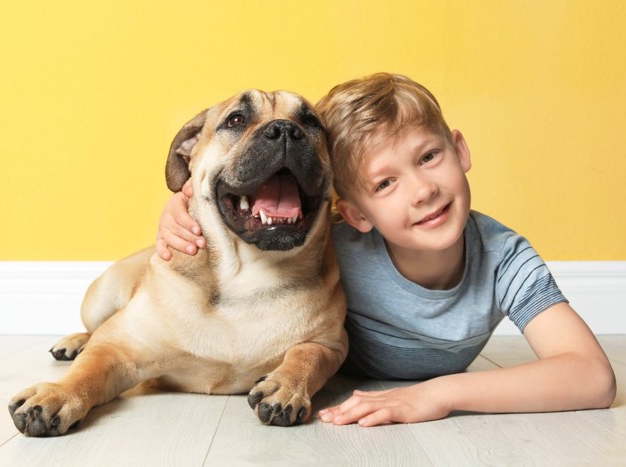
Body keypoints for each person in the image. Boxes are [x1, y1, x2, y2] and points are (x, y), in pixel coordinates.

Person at [155, 73, 616, 426]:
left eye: (428, 157)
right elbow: (241, 229)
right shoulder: (332, 245)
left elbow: (592, 377)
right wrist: (182, 210)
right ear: (355, 213)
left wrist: (439, 395)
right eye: (385, 183)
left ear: (460, 150)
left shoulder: (505, 260)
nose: (421, 191)